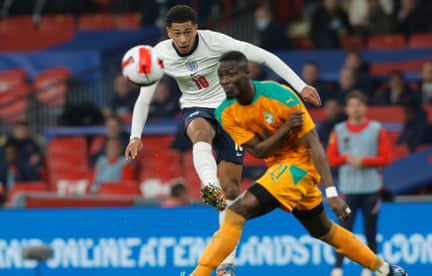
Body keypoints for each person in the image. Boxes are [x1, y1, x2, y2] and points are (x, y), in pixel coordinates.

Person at [124, 5, 321, 275]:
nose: (183, 40)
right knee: (199, 133)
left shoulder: (215, 42)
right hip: (195, 106)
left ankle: (227, 265)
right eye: (177, 34)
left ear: (196, 29)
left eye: (188, 33)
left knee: (231, 191)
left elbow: (264, 57)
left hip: (230, 111)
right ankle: (208, 185)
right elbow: (144, 98)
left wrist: (301, 85)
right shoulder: (159, 55)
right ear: (169, 32)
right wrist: (135, 135)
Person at [190, 51, 407, 276]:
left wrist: (331, 192)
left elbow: (313, 143)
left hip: (300, 165)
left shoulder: (280, 95)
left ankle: (200, 273)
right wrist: (285, 129)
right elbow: (258, 150)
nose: (225, 81)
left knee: (236, 212)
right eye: (221, 76)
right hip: (277, 167)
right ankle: (386, 270)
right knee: (323, 230)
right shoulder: (225, 112)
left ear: (247, 72)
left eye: (231, 74)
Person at [326, 91, 392, 276]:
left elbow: (386, 158)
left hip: (371, 188)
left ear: (365, 107)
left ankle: (370, 268)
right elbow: (331, 158)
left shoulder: (377, 129)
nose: (355, 109)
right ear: (346, 109)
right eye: (352, 105)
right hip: (348, 189)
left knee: (371, 229)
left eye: (359, 105)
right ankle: (338, 267)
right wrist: (347, 158)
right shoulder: (338, 130)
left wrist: (363, 161)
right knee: (344, 231)